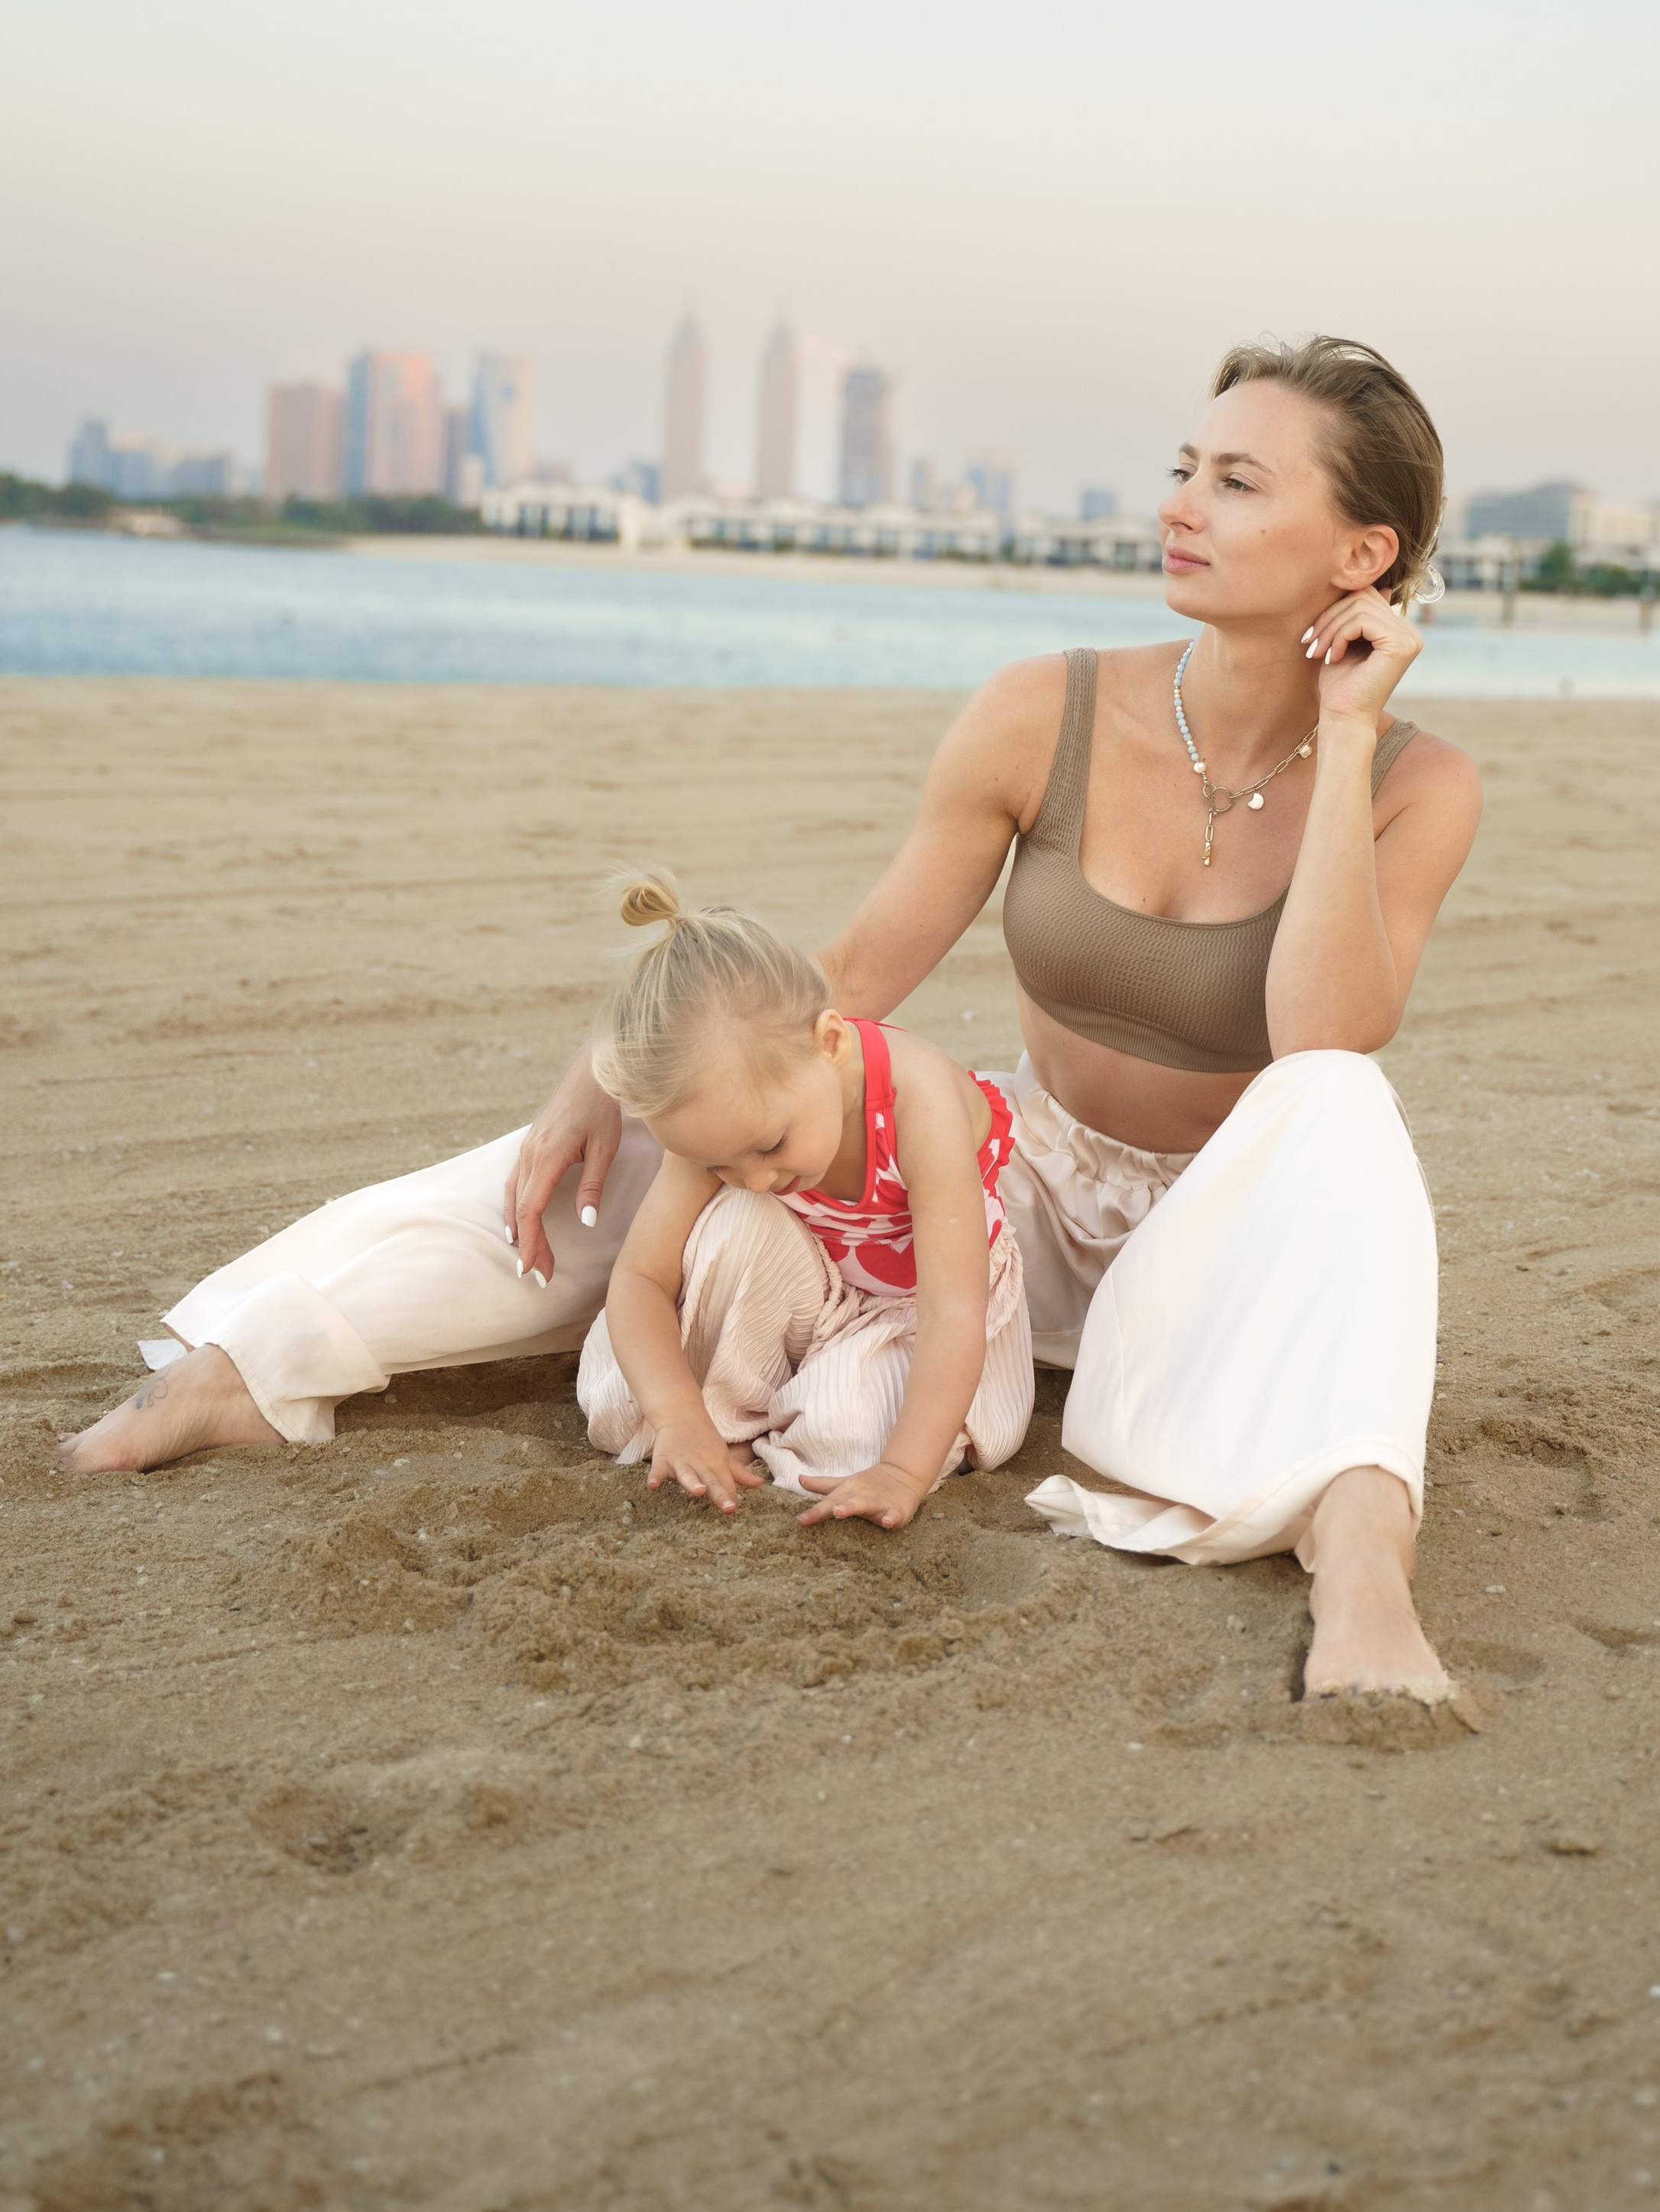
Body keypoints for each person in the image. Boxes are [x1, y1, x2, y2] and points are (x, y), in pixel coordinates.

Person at [64, 336, 1480, 1703]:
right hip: (1017, 1193)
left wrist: (1347, 739)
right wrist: (607, 1074)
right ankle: (241, 1367)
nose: (1178, 504)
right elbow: (852, 972)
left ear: (1362, 554)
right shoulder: (1040, 710)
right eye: (1186, 464)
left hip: (1215, 1246)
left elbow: (1320, 1035)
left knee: (1348, 1107)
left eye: (1238, 481)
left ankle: (1363, 1573)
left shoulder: (1420, 783)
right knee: (707, 1117)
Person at [574, 872, 1029, 1531]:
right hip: (815, 1288)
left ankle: (777, 1412)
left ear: (832, 1042)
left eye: (769, 1146)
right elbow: (642, 1276)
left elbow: (954, 1308)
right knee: (623, 1403)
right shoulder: (728, 1123)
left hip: (921, 1308)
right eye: (718, 1163)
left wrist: (903, 1471)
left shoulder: (917, 1098)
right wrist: (677, 1415)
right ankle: (742, 1418)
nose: (752, 1177)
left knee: (850, 1446)